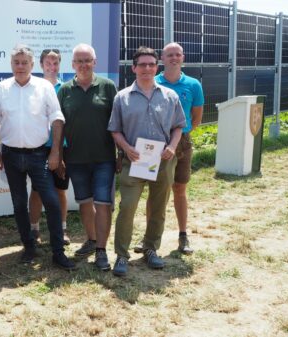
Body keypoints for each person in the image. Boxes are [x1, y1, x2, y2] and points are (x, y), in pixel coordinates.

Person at [0, 45, 76, 271]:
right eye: (16, 62)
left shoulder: (44, 87)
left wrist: (55, 151)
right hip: (10, 155)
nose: (20, 66)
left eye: (24, 62)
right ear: (11, 65)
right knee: (19, 204)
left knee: (52, 202)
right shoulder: (2, 88)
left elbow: (57, 119)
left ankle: (58, 252)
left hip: (39, 155)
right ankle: (28, 246)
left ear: (31, 64)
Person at [107, 46, 186, 277]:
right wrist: (126, 148)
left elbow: (179, 126)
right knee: (127, 207)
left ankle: (151, 249)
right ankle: (122, 255)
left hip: (162, 161)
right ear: (134, 68)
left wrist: (172, 146)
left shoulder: (170, 96)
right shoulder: (122, 97)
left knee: (159, 208)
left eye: (151, 64)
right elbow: (115, 130)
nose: (147, 68)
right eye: (142, 64)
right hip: (134, 161)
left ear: (156, 67)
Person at [134, 42, 204, 255]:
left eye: (178, 54)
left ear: (182, 58)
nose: (174, 58)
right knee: (153, 193)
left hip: (181, 142)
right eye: (169, 54)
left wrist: (178, 136)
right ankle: (149, 237)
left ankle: (183, 235)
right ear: (162, 59)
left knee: (179, 189)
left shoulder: (193, 85)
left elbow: (196, 117)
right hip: (153, 143)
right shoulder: (151, 81)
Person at [58, 43, 118, 271]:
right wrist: (59, 155)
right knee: (84, 202)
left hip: (104, 158)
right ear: (73, 64)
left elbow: (117, 122)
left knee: (103, 204)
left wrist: (120, 153)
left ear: (95, 62)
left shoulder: (108, 87)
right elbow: (59, 126)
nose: (83, 65)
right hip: (75, 159)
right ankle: (92, 240)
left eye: (87, 60)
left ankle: (101, 251)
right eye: (79, 61)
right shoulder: (64, 90)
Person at [28, 48, 71, 246]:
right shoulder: (34, 87)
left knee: (60, 190)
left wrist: (60, 150)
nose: (52, 67)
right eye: (48, 63)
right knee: (36, 191)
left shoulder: (66, 88)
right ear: (41, 65)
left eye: (55, 63)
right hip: (38, 148)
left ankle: (62, 229)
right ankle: (34, 229)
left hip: (62, 147)